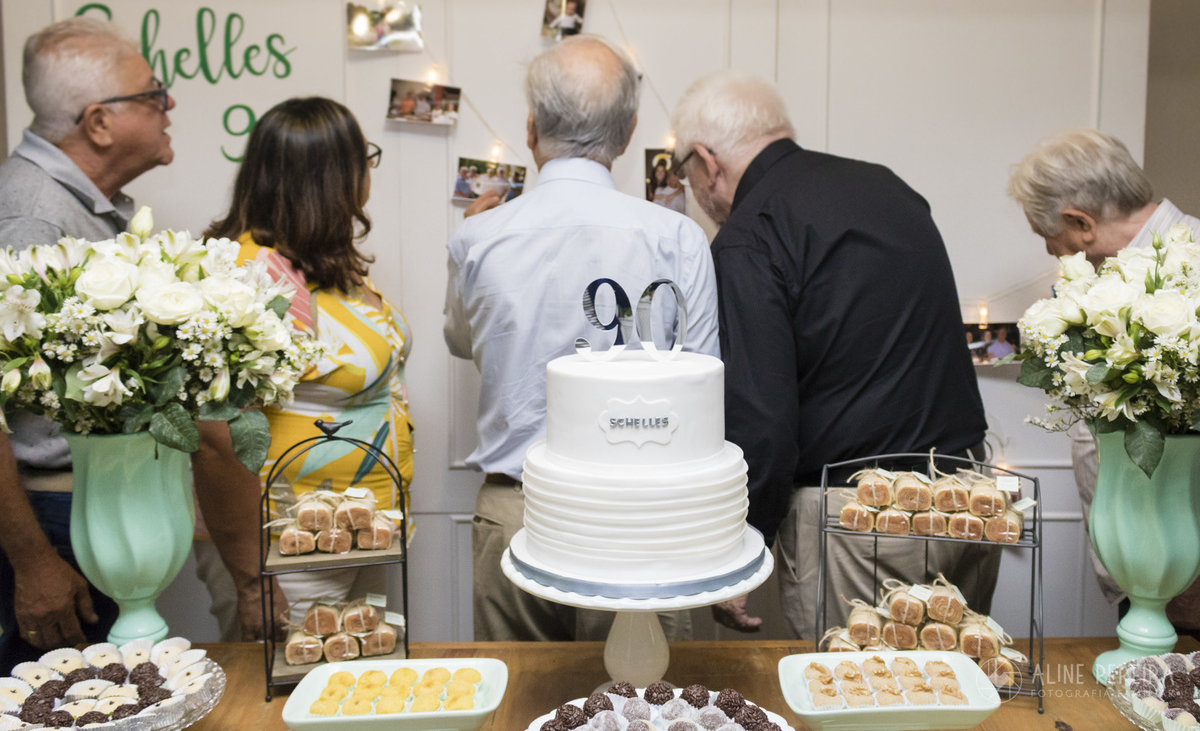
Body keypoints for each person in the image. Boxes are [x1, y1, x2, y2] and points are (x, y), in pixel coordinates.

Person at [671, 70, 994, 639]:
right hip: (971, 495)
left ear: (707, 161)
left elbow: (763, 419)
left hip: (865, 518)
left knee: (857, 708)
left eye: (685, 171)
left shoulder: (751, 233)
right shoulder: (887, 186)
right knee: (946, 700)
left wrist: (744, 542)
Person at [444, 34, 720, 642]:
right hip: (642, 517)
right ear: (626, 135)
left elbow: (462, 343)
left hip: (518, 511)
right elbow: (704, 389)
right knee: (645, 708)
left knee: (520, 707)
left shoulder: (477, 240)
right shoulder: (679, 239)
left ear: (531, 129)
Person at [197, 97, 414, 636]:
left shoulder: (320, 261)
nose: (368, 174)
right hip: (289, 544)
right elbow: (215, 435)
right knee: (285, 709)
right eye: (363, 158)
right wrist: (253, 578)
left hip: (353, 532)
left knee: (347, 700)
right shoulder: (251, 275)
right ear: (331, 177)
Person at [0, 17, 175, 668]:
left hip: (96, 510)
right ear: (99, 122)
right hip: (50, 523)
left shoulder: (84, 209)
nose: (169, 105)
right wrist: (33, 563)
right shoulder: (31, 220)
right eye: (154, 93)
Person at [1008, 128, 1200, 626]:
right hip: (1143, 569)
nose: (1055, 250)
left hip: (1185, 573)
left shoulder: (1192, 265)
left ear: (1080, 221)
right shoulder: (1108, 278)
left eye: (1049, 235)